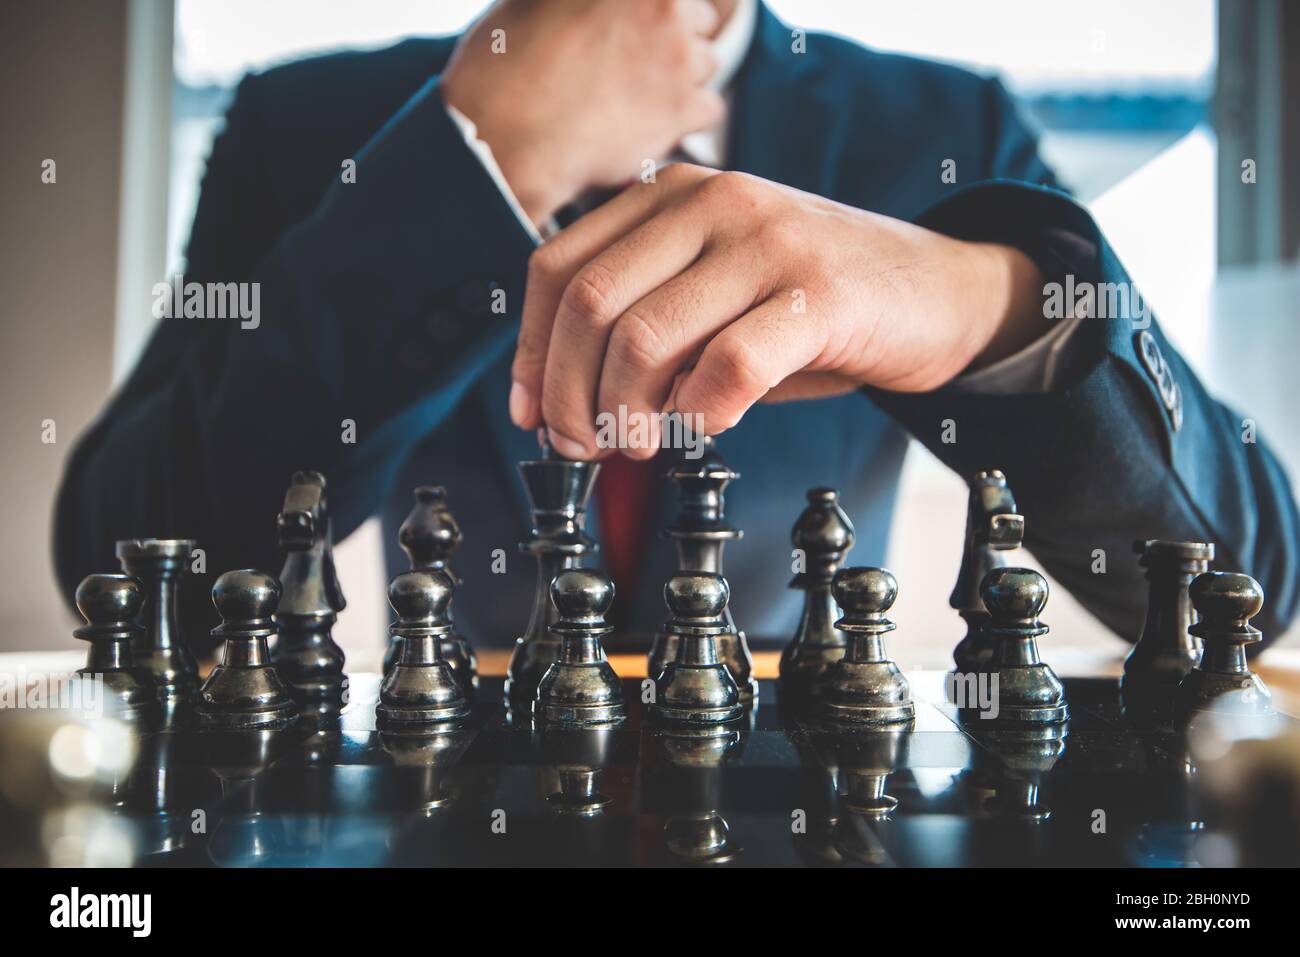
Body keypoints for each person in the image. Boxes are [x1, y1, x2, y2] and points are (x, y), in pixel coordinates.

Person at [55, 0, 1300, 654]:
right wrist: (469, 162)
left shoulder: (942, 123)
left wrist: (979, 304)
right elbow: (123, 569)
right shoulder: (305, 125)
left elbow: (1247, 580)